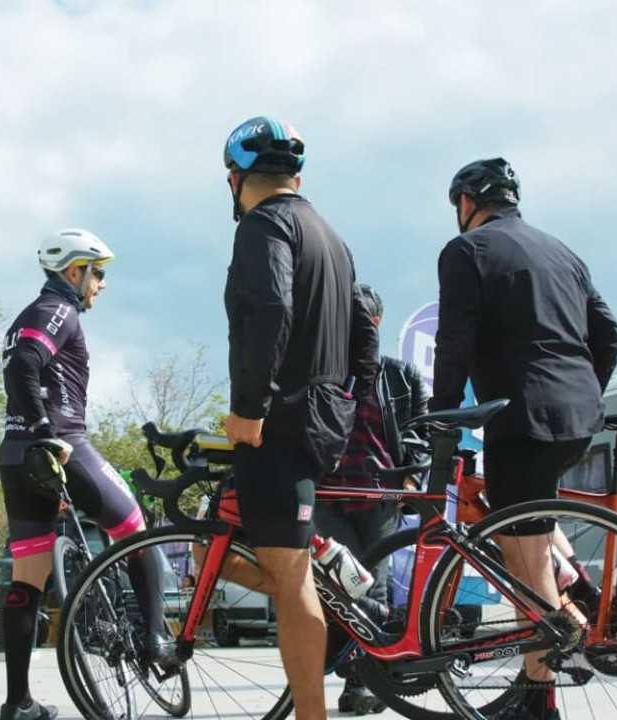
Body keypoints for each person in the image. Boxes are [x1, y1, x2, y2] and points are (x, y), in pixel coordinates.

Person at [432, 157, 617, 720]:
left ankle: (539, 697)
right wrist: (584, 391)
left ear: (468, 202)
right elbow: (608, 332)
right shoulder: (561, 250)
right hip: (577, 418)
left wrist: (442, 418)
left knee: (522, 554)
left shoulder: (466, 251)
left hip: (523, 417)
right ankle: (542, 663)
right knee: (529, 541)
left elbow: (455, 340)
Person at [221, 115, 378, 720]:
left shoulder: (264, 226)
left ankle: (311, 715)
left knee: (290, 581)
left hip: (279, 421)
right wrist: (351, 400)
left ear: (234, 178)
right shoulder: (330, 235)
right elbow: (364, 326)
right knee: (290, 566)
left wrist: (249, 410)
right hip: (323, 417)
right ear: (298, 173)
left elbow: (271, 308)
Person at [0, 228, 171, 720]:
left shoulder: (32, 313)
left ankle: (18, 702)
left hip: (14, 453)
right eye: (99, 273)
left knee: (27, 579)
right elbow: (24, 367)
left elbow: (21, 365)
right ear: (74, 271)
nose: (102, 284)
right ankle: (157, 638)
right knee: (136, 532)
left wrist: (32, 432)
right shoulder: (57, 309)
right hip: (62, 446)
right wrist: (47, 431)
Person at [315, 284, 427, 714]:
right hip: (328, 496)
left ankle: (363, 681)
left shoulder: (401, 375)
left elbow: (418, 431)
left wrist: (412, 479)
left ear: (375, 323)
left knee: (372, 584)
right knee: (342, 585)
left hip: (380, 497)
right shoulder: (324, 373)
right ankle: (352, 669)